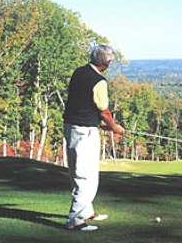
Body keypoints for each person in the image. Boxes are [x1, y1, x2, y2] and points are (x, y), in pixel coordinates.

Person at [63, 45, 124, 231]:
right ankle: (75, 221)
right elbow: (104, 111)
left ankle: (87, 211)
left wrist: (101, 123)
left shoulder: (78, 72)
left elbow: (83, 103)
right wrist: (114, 127)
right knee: (86, 177)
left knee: (79, 172)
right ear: (107, 63)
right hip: (84, 131)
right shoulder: (99, 81)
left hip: (73, 127)